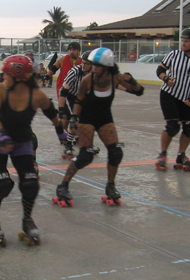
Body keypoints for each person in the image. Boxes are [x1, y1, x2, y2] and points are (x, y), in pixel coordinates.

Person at [0, 55, 67, 247]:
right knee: (2, 183)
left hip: (22, 142)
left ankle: (27, 220)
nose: (3, 77)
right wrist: (2, 134)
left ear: (19, 77)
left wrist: (61, 132)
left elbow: (51, 112)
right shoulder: (0, 89)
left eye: (7, 74)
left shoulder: (36, 95)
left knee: (30, 182)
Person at [54, 48, 144, 207]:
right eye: (92, 65)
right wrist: (73, 120)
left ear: (107, 66)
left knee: (116, 151)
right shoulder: (87, 80)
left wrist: (132, 81)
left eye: (97, 65)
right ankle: (63, 185)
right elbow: (79, 101)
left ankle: (110, 185)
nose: (93, 68)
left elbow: (139, 92)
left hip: (104, 119)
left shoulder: (114, 78)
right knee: (85, 156)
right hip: (86, 119)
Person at [155, 27, 190, 171]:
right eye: (182, 41)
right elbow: (160, 70)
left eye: (186, 41)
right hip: (169, 95)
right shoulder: (174, 55)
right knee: (173, 127)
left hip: (187, 99)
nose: (183, 44)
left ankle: (181, 155)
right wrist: (166, 78)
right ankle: (162, 154)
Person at [59, 51, 93, 159]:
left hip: (85, 97)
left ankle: (85, 142)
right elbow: (63, 92)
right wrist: (61, 110)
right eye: (82, 62)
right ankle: (68, 144)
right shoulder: (74, 72)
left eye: (87, 64)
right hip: (72, 96)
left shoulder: (95, 73)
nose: (83, 65)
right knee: (75, 120)